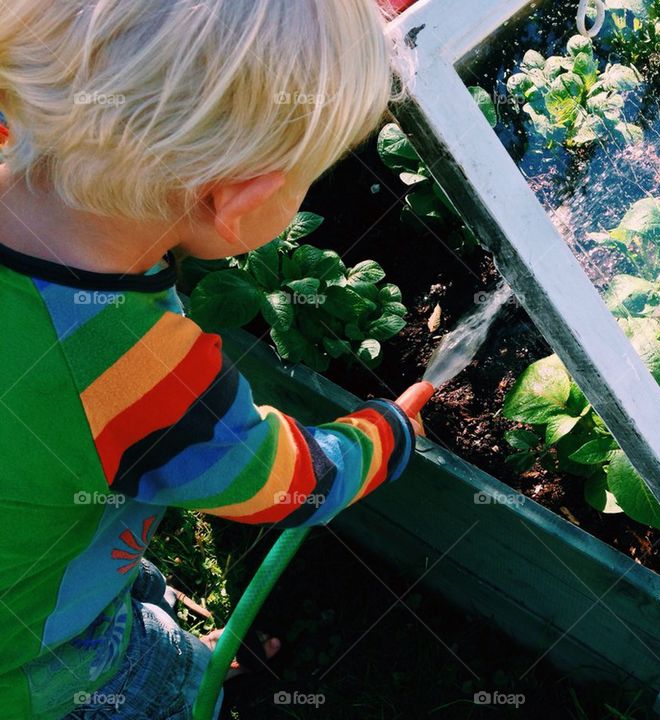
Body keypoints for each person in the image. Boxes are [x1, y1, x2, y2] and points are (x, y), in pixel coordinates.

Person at [0, 1, 415, 718]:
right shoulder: (135, 370)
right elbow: (285, 483)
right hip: (36, 662)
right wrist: (383, 439)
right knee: (141, 683)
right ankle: (184, 680)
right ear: (238, 198)